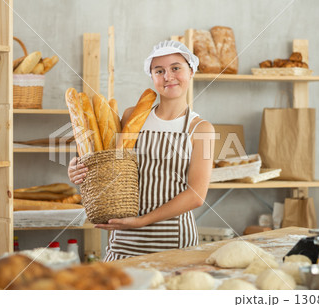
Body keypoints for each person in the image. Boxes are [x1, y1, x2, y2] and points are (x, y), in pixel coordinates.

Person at [68, 40, 215, 261]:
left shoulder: (201, 129)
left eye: (176, 68)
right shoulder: (131, 117)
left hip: (174, 244)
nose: (168, 76)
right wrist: (79, 169)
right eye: (159, 71)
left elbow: (196, 196)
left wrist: (142, 221)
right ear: (152, 76)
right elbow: (108, 163)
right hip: (124, 242)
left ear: (191, 71)